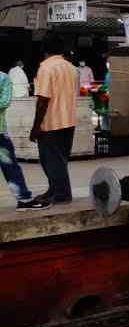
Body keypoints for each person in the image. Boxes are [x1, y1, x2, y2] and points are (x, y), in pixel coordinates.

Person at [29, 37, 79, 205]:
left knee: (50, 161)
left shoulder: (46, 68)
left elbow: (43, 100)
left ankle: (61, 194)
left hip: (51, 122)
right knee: (60, 160)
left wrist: (36, 127)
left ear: (44, 50)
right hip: (69, 121)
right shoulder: (71, 68)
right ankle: (54, 190)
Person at [0, 67, 46, 210]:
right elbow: (4, 102)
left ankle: (24, 199)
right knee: (10, 167)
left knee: (10, 166)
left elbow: (4, 102)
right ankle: (24, 199)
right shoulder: (3, 77)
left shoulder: (3, 78)